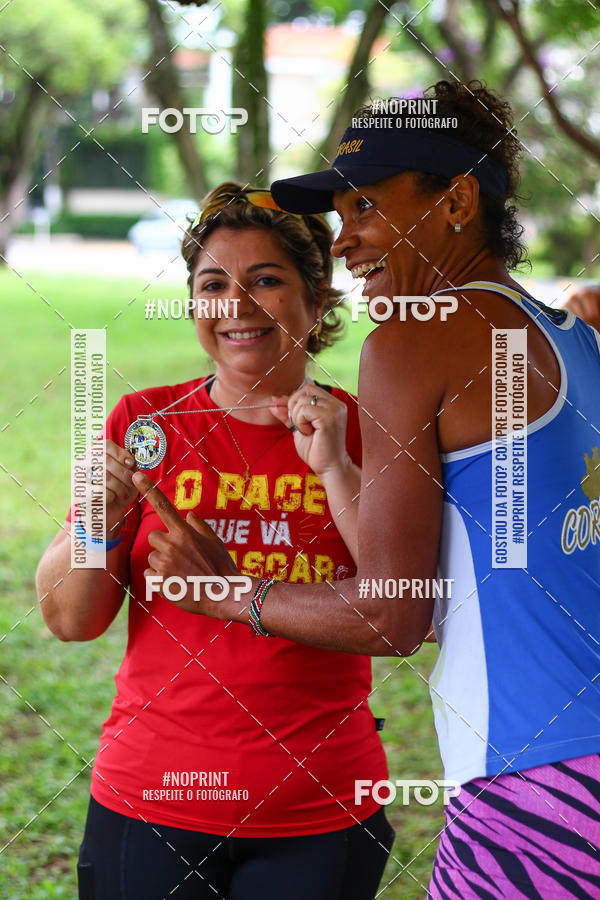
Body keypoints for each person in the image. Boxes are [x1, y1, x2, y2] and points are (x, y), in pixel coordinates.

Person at [136, 82, 600, 898]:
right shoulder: (574, 337)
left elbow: (393, 614)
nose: (346, 242)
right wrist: (338, 474)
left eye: (365, 208)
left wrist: (228, 592)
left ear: (457, 200)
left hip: (537, 777)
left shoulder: (412, 341)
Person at [36, 183, 395, 900]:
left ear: (317, 300)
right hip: (152, 799)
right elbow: (71, 620)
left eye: (266, 279)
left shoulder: (372, 431)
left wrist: (336, 469)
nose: (236, 303)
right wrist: (92, 525)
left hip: (319, 809)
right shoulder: (146, 425)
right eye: (212, 284)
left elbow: (400, 612)